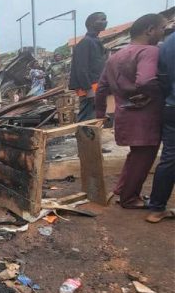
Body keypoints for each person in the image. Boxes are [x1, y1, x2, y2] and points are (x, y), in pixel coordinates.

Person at [95, 13, 167, 208]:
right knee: (143, 157)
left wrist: (100, 115)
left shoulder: (115, 56)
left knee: (136, 155)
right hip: (145, 116)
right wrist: (159, 95)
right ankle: (129, 198)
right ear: (150, 30)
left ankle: (123, 190)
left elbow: (101, 89)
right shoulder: (149, 52)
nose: (164, 33)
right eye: (163, 28)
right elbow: (145, 80)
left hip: (124, 114)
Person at [146, 28, 175, 222]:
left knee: (169, 158)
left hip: (171, 105)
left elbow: (161, 78)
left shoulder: (168, 43)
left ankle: (156, 208)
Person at [70, 12, 108, 121]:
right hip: (89, 88)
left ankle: (89, 137)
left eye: (105, 19)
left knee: (94, 118)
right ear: (91, 24)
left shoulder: (96, 42)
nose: (105, 22)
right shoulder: (86, 42)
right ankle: (82, 137)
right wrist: (88, 89)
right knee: (86, 118)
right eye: (102, 19)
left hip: (96, 86)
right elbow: (81, 68)